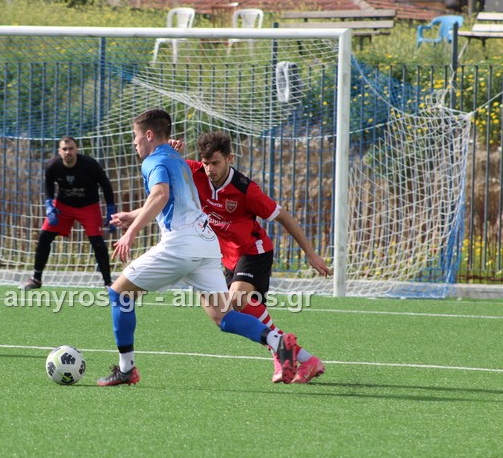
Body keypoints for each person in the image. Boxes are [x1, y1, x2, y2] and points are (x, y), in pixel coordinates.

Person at [98, 108, 302, 386]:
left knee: (119, 294)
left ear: (149, 135)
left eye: (135, 135)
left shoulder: (154, 160)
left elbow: (160, 195)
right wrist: (132, 216)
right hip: (206, 244)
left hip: (180, 245)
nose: (134, 142)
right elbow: (172, 198)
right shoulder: (177, 159)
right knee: (223, 316)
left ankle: (126, 369)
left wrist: (131, 233)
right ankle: (279, 342)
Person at [180, 131, 331, 384]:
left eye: (215, 163)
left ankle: (280, 352)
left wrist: (311, 254)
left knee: (237, 299)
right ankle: (306, 359)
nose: (209, 169)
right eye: (205, 163)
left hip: (254, 251)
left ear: (229, 158)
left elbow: (284, 217)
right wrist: (170, 150)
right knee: (232, 313)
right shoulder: (195, 172)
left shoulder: (246, 190)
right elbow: (164, 163)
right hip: (227, 258)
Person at [21, 136, 116, 290]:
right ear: (59, 151)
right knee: (44, 236)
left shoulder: (90, 164)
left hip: (88, 206)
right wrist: (49, 204)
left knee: (97, 242)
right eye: (64, 149)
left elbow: (105, 184)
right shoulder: (52, 166)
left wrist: (111, 207)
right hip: (63, 206)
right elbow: (48, 185)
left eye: (71, 148)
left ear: (76, 150)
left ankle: (108, 283)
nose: (68, 152)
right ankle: (36, 279)